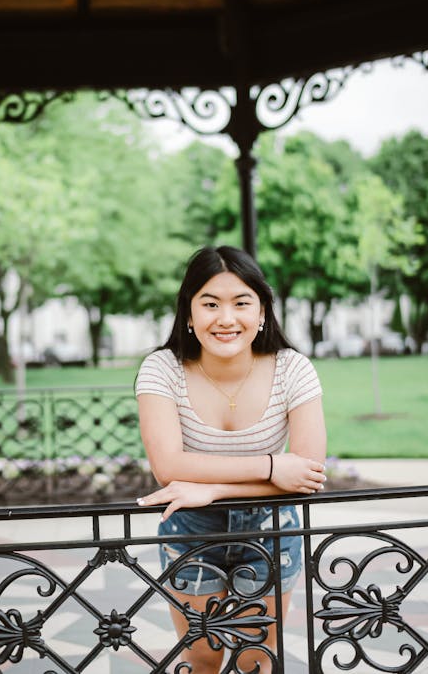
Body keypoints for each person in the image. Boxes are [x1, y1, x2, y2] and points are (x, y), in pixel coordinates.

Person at [135, 245, 326, 673]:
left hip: (271, 527)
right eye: (210, 304)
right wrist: (274, 467)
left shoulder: (292, 369)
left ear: (262, 313)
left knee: (256, 657)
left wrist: (214, 488)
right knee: (203, 657)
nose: (226, 318)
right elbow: (168, 466)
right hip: (190, 528)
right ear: (188, 313)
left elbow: (309, 473)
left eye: (242, 303)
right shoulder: (161, 369)